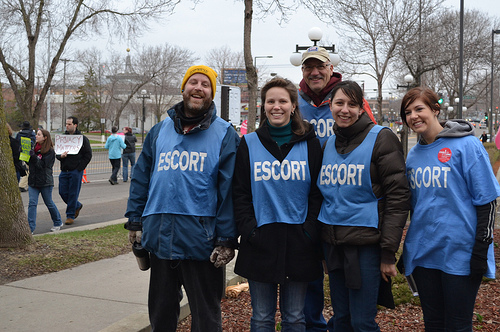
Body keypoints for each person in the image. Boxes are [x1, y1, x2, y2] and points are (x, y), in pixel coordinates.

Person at [124, 65, 240, 332]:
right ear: (184, 87)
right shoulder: (159, 131)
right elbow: (142, 178)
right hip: (160, 239)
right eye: (193, 82)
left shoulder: (225, 134)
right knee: (161, 312)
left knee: (206, 315)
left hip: (203, 242)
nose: (198, 88)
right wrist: (135, 221)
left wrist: (226, 239)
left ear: (211, 93)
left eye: (205, 84)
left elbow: (229, 192)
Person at [400, 87, 500, 331]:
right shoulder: (413, 156)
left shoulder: (467, 146)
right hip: (424, 254)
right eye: (408, 112)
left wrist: (480, 249)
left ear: (436, 109)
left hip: (460, 254)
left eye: (419, 108)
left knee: (457, 325)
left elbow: (487, 200)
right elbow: (416, 207)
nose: (413, 116)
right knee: (433, 323)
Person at [317, 81, 410, 331]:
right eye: (339, 103)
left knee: (362, 322)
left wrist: (388, 252)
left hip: (366, 248)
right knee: (342, 320)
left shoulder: (381, 138)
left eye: (352, 104)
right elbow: (321, 197)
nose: (344, 109)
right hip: (333, 245)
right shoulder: (327, 145)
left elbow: (398, 199)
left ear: (361, 108)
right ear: (330, 106)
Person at [233, 77, 323, 331]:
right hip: (260, 240)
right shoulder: (248, 143)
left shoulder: (310, 143)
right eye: (270, 101)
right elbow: (240, 193)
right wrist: (249, 230)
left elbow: (318, 193)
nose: (276, 106)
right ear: (263, 106)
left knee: (294, 316)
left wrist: (309, 230)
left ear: (293, 105)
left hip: (299, 242)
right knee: (261, 316)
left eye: (283, 101)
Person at [297, 46, 378, 331]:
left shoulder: (349, 98)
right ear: (303, 70)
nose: (315, 72)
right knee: (309, 275)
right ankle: (314, 326)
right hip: (304, 199)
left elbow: (370, 142)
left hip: (342, 206)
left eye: (321, 66)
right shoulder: (294, 101)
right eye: (309, 67)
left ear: (331, 68)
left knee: (346, 284)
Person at [56, 116, 92, 225]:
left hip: (76, 171)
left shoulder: (82, 139)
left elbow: (88, 155)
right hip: (64, 170)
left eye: (69, 124)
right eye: (66, 124)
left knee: (73, 193)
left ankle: (70, 215)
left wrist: (79, 168)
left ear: (75, 125)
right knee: (62, 192)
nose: (67, 126)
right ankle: (77, 205)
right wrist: (60, 156)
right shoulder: (63, 138)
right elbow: (57, 153)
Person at [27, 129, 63, 233]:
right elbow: (31, 163)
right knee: (32, 203)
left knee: (49, 203)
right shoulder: (34, 148)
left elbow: (42, 165)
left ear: (45, 137)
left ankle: (57, 221)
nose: (36, 136)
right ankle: (30, 228)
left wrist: (33, 156)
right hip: (33, 181)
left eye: (38, 135)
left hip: (45, 182)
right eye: (36, 135)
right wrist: (24, 155)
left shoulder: (50, 151)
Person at [16, 120, 36, 192]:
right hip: (29, 153)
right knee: (28, 169)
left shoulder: (19, 134)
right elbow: (34, 142)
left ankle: (22, 184)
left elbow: (16, 142)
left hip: (20, 153)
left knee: (24, 168)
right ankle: (22, 185)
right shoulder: (31, 133)